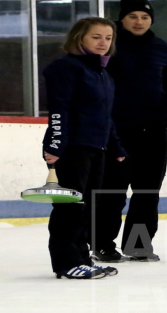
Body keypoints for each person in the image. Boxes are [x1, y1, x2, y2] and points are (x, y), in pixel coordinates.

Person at [92, 0, 167, 263]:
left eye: (144, 17)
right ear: (122, 19)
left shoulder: (160, 47)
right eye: (133, 16)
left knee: (147, 191)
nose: (139, 21)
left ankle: (139, 245)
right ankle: (103, 244)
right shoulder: (109, 46)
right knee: (112, 190)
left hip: (153, 130)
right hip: (116, 130)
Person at [42, 17, 127, 279]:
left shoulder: (102, 74)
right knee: (69, 206)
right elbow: (59, 110)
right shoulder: (65, 68)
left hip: (96, 148)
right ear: (80, 38)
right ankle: (66, 262)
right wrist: (55, 144)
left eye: (108, 38)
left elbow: (105, 115)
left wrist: (116, 146)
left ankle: (81, 257)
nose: (103, 42)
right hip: (71, 149)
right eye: (96, 37)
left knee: (88, 207)